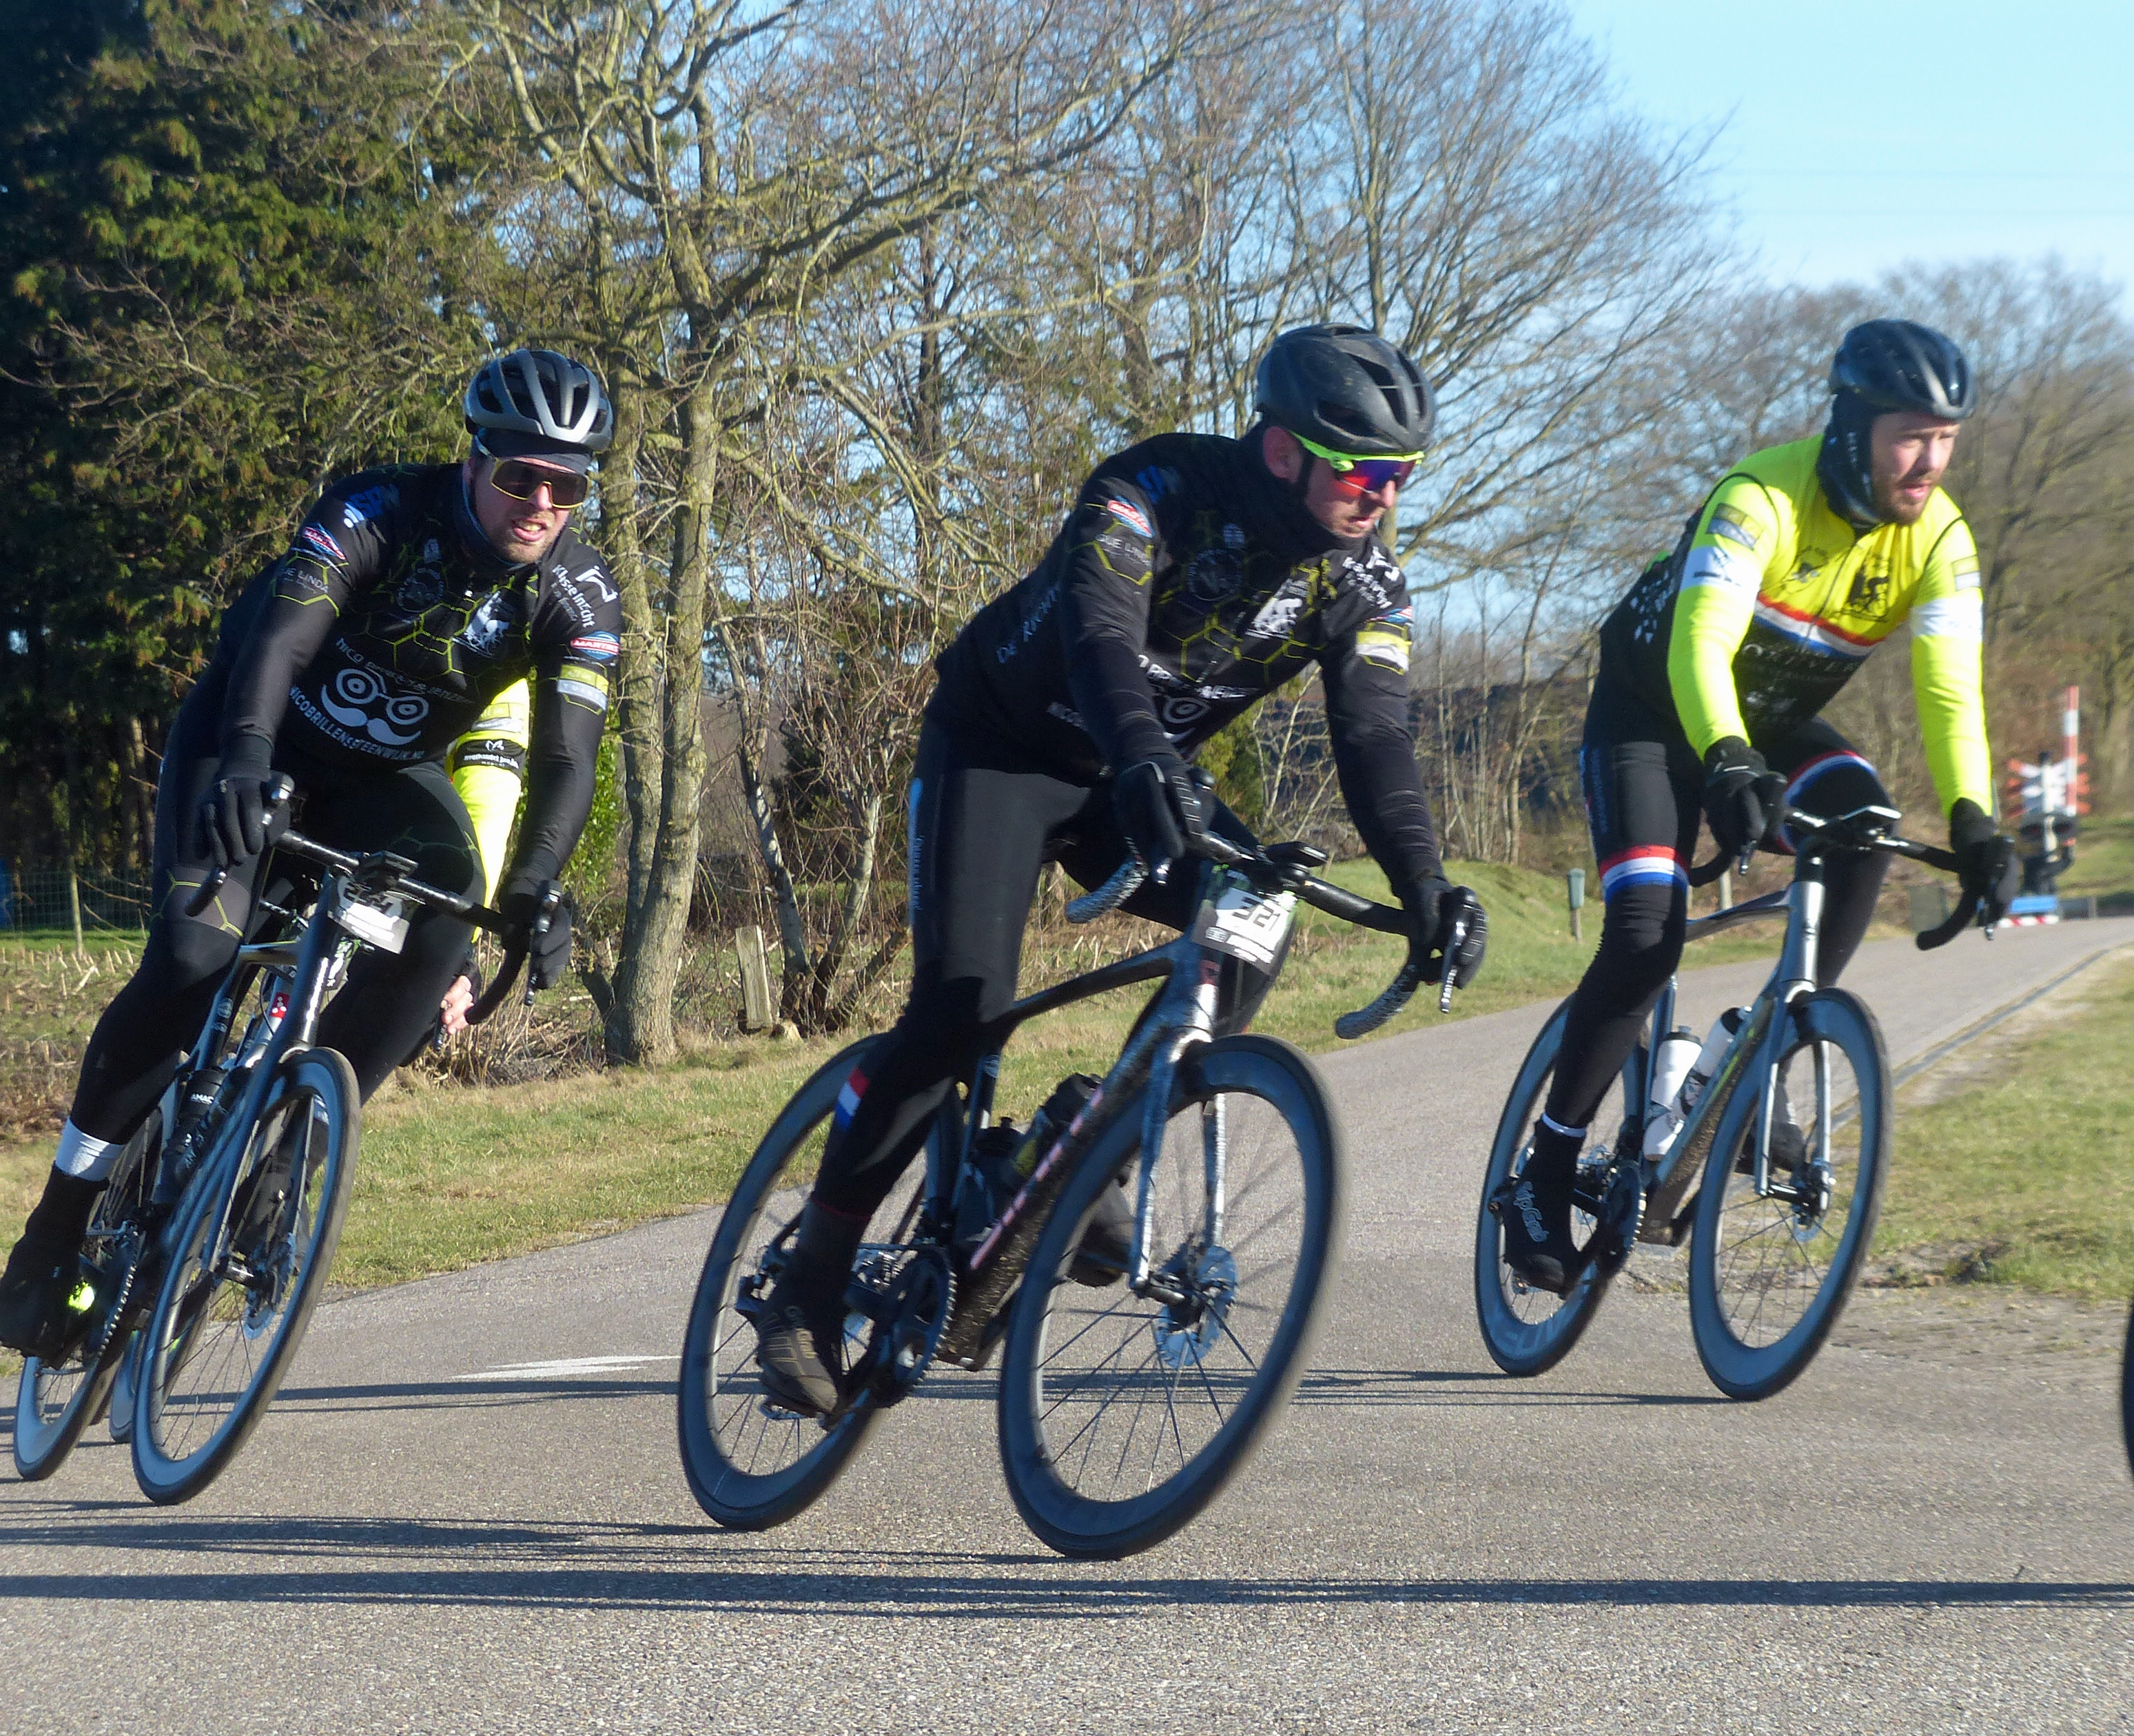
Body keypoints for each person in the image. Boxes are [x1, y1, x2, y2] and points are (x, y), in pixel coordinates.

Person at [753, 323, 1488, 1415]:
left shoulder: (1369, 583)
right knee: (961, 1010)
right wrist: (1146, 754)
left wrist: (1425, 884)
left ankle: (1080, 1141)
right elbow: (1101, 636)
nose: (1383, 495)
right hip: (1003, 748)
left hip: (1133, 778)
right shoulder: (1152, 485)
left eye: (1402, 476)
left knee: (1252, 921)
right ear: (1283, 450)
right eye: (1364, 470)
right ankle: (808, 1283)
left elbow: (1374, 737)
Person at [0, 349, 620, 1356]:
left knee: (454, 906)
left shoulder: (580, 596)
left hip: (381, 782)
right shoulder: (379, 511)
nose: (541, 501)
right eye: (520, 475)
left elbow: (565, 754)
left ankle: (290, 1153)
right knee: (194, 962)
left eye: (567, 484)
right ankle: (55, 1228)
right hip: (255, 737)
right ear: (475, 462)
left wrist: (540, 888)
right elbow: (278, 647)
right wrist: (245, 761)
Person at [1501, 318, 2020, 1294]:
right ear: (1852, 426)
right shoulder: (1760, 495)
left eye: (1946, 438)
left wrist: (1973, 819)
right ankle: (1545, 1169)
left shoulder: (1938, 537)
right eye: (1910, 435)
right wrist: (1727, 756)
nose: (1929, 461)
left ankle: (1755, 1062)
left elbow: (1950, 691)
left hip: (1770, 726)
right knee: (1648, 932)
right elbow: (1701, 641)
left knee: (1864, 831)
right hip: (1651, 719)